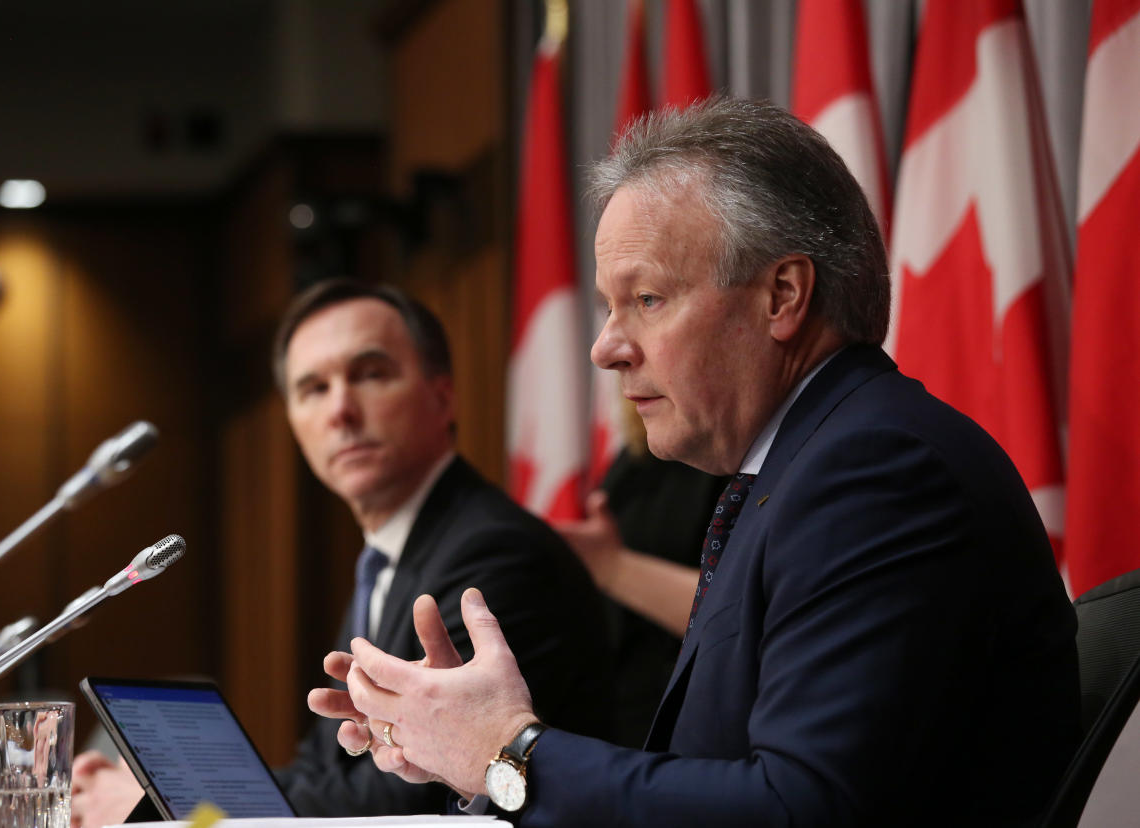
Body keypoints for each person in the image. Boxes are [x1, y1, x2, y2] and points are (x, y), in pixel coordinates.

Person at [309, 96, 1080, 826]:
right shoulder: (799, 471)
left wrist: (508, 753)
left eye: (645, 299)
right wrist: (470, 757)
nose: (605, 348)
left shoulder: (876, 472)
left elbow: (799, 809)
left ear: (782, 295)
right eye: (609, 307)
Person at [70, 279, 611, 824]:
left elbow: (411, 794)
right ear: (294, 425)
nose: (341, 411)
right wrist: (173, 792)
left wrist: (165, 808)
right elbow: (326, 768)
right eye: (313, 388)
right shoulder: (387, 558)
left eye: (370, 375)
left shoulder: (494, 553)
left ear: (442, 395)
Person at [554, 399, 726, 746]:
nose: (610, 355)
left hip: (698, 726)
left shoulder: (734, 459)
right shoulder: (639, 455)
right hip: (623, 718)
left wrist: (614, 568)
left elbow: (747, 607)